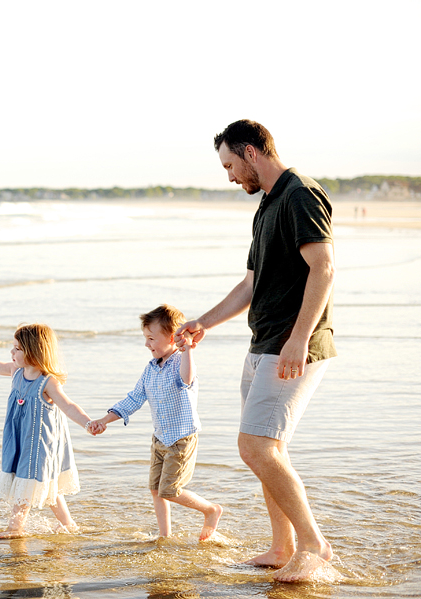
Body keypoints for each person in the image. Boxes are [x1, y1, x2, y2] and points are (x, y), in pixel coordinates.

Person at [176, 120, 336, 582]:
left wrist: (298, 339)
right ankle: (282, 545)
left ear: (250, 152)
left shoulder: (300, 193)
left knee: (256, 447)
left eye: (229, 165)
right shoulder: (267, 204)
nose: (228, 176)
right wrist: (203, 321)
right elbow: (251, 283)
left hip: (293, 345)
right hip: (264, 342)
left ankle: (313, 545)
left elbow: (323, 269)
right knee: (270, 449)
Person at [88, 305, 223, 541]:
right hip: (160, 438)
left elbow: (186, 379)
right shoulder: (150, 369)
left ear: (172, 337)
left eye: (151, 338)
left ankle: (211, 510)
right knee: (155, 489)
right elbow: (134, 398)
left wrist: (188, 349)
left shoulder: (181, 362)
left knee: (170, 490)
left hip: (181, 439)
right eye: (145, 338)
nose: (146, 344)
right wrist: (105, 419)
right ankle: (164, 535)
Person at [0, 324, 94, 538]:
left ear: (34, 352)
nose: (12, 352)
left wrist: (87, 423)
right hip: (20, 437)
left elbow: (68, 406)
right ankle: (68, 524)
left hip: (39, 442)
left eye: (17, 349)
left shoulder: (47, 382)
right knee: (46, 484)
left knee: (28, 479)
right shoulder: (16, 372)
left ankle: (15, 529)